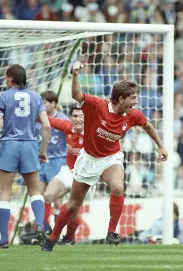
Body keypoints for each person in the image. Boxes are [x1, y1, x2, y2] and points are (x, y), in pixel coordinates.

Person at [42, 61, 168, 251]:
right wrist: (75, 75)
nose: (136, 101)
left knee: (117, 187)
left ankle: (111, 231)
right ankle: (52, 238)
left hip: (111, 158)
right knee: (73, 204)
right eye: (132, 98)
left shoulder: (132, 114)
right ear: (120, 98)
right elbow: (76, 95)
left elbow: (147, 125)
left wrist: (161, 146)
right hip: (88, 159)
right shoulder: (97, 105)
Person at [0, 64, 51, 249]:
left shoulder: (4, 96)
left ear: (10, 79)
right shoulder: (36, 97)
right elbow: (46, 125)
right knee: (35, 191)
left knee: (5, 193)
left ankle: (4, 239)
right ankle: (39, 224)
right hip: (30, 144)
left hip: (9, 146)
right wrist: (43, 150)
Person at [43, 105, 85, 245]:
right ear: (70, 117)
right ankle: (41, 231)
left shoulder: (94, 131)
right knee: (48, 195)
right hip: (68, 171)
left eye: (81, 116)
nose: (77, 119)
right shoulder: (67, 126)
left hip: (86, 176)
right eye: (74, 116)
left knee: (72, 211)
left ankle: (69, 238)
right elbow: (47, 120)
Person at [36, 91, 69, 232]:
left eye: (46, 102)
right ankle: (43, 227)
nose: (43, 105)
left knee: (56, 198)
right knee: (38, 195)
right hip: (41, 161)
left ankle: (58, 230)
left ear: (54, 103)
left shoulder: (63, 119)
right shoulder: (37, 119)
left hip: (57, 161)